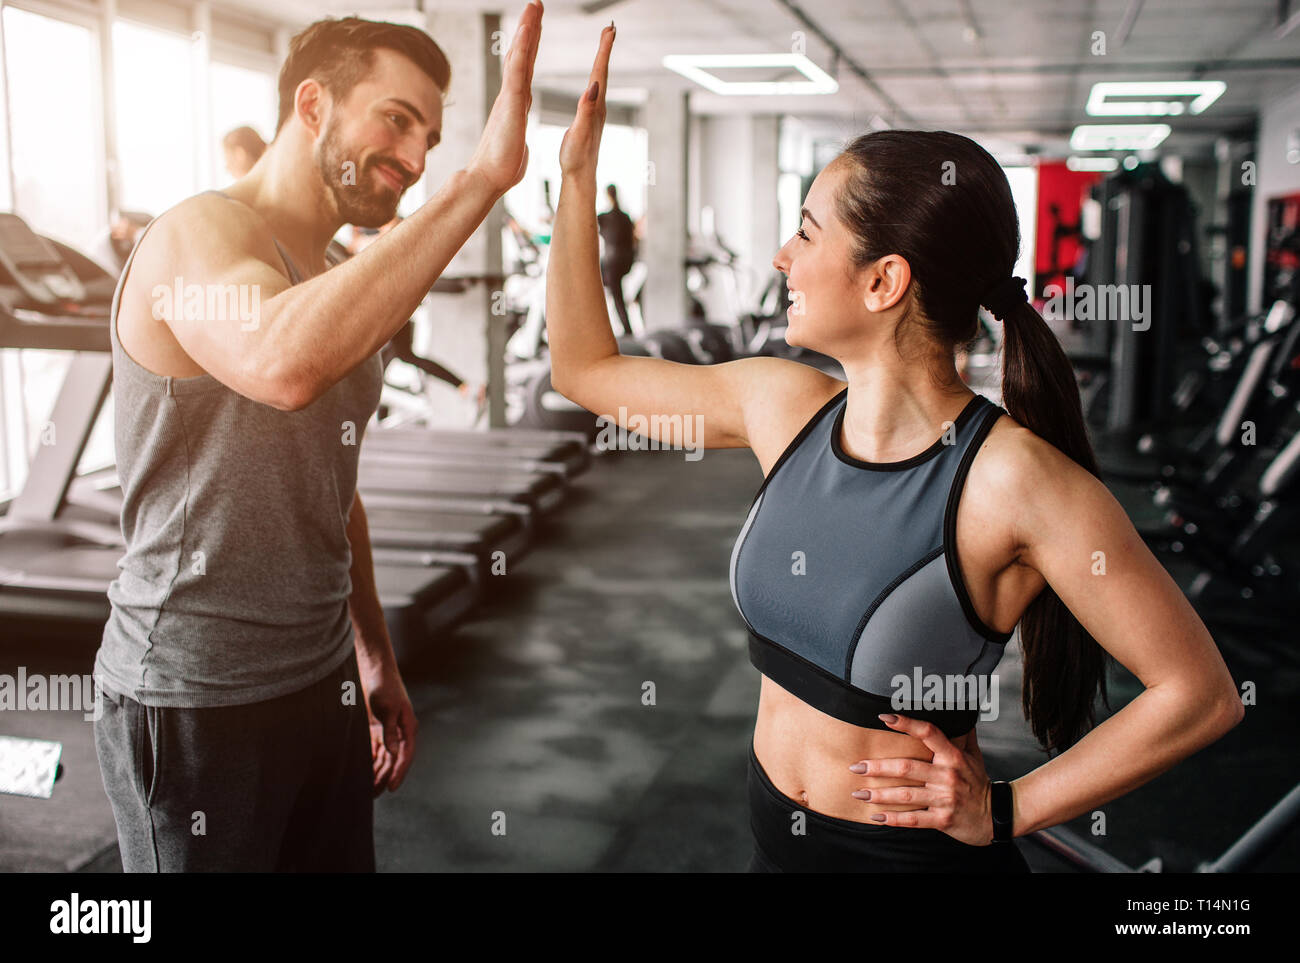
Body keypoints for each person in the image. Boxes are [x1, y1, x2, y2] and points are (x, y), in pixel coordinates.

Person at [546, 24, 1243, 872]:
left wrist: (1008, 808)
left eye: (806, 233)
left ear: (884, 281)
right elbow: (586, 368)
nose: (780, 257)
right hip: (774, 839)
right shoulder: (782, 404)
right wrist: (574, 180)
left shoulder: (1010, 478)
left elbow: (1200, 694)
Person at [92, 5, 541, 871]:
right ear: (312, 105)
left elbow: (334, 481)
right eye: (397, 120)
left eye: (433, 141)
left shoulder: (339, 275)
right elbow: (281, 361)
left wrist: (373, 653)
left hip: (320, 676)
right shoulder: (197, 234)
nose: (415, 160)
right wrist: (480, 182)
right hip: (194, 693)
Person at [597, 183, 636, 335]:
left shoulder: (606, 218)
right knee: (615, 295)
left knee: (615, 295)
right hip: (622, 261)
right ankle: (625, 328)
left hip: (612, 263)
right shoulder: (624, 218)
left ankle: (626, 329)